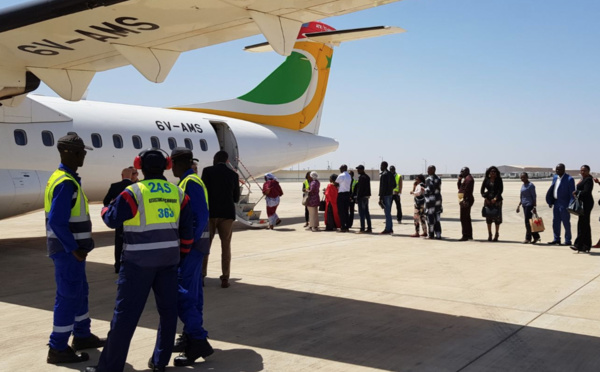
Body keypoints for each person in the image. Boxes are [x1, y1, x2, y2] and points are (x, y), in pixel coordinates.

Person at [87, 148, 193, 372]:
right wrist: (179, 256)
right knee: (168, 313)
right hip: (169, 262)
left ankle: (110, 368)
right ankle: (159, 362)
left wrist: (106, 207)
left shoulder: (133, 192)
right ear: (166, 166)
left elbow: (111, 219)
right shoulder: (178, 193)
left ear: (139, 166)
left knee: (125, 317)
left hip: (138, 263)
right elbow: (187, 231)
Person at [45, 134, 105, 365]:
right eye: (81, 151)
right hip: (66, 250)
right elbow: (57, 222)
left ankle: (81, 335)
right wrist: (73, 249)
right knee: (68, 296)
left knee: (80, 292)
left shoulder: (65, 178)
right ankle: (57, 347)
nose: (84, 155)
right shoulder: (65, 182)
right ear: (69, 153)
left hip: (73, 250)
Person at [170, 148, 213, 366]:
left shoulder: (190, 183)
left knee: (184, 294)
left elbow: (200, 215)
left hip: (192, 248)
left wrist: (187, 245)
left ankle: (197, 339)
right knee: (193, 294)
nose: (171, 168)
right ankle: (192, 334)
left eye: (173, 163)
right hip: (196, 247)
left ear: (179, 163)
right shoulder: (189, 181)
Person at [201, 150, 240, 288]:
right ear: (227, 160)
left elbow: (203, 192)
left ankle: (201, 276)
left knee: (205, 245)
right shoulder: (233, 175)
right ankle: (225, 278)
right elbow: (236, 198)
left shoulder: (207, 171)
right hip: (227, 214)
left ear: (215, 159)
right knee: (226, 246)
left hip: (210, 213)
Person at [102, 167, 135, 273]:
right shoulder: (135, 187)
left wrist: (113, 210)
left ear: (122, 176)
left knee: (119, 243)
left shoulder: (114, 186)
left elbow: (106, 201)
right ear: (131, 176)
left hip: (119, 221)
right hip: (133, 221)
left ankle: (117, 265)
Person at [546, 163, 575, 245]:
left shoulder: (569, 179)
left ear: (564, 170)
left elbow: (572, 194)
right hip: (556, 203)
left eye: (559, 169)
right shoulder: (555, 177)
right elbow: (552, 189)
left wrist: (570, 205)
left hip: (565, 204)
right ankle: (556, 239)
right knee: (555, 222)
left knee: (566, 223)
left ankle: (568, 240)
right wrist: (550, 201)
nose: (557, 171)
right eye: (557, 169)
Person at [570, 165, 594, 253]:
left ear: (588, 171)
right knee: (585, 224)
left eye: (584, 170)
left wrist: (577, 192)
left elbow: (587, 192)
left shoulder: (588, 180)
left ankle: (578, 245)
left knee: (582, 224)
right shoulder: (583, 179)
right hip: (582, 203)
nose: (582, 172)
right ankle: (586, 245)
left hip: (586, 204)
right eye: (581, 170)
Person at [516, 172, 540, 244]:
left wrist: (534, 206)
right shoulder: (523, 185)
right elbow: (522, 196)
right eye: (521, 177)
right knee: (528, 222)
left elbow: (534, 196)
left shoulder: (531, 185)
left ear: (527, 177)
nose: (522, 179)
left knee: (527, 222)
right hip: (524, 204)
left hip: (529, 205)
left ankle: (528, 238)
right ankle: (536, 236)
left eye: (523, 177)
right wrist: (519, 205)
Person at [481, 166, 503, 242]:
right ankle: (489, 234)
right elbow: (482, 190)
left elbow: (500, 190)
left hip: (497, 201)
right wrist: (486, 198)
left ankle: (496, 234)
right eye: (491, 172)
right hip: (488, 200)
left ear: (496, 173)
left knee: (497, 217)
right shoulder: (486, 180)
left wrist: (495, 198)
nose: (493, 173)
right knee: (488, 217)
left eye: (494, 172)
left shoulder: (499, 180)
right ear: (489, 173)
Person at [424, 165, 443, 239]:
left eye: (429, 170)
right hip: (438, 201)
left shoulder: (428, 179)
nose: (427, 171)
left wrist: (423, 190)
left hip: (431, 202)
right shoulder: (438, 178)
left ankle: (431, 234)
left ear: (433, 170)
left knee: (430, 219)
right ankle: (438, 234)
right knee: (437, 219)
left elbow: (429, 190)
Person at [457, 167, 475, 241]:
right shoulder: (466, 179)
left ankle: (465, 235)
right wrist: (459, 180)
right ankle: (469, 235)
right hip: (463, 199)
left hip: (466, 200)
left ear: (467, 171)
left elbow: (467, 191)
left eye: (462, 172)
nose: (461, 173)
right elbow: (460, 188)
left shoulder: (469, 179)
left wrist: (464, 200)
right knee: (467, 218)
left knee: (464, 218)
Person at [379, 161, 395, 234]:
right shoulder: (391, 174)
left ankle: (388, 229)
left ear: (384, 166)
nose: (380, 167)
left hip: (385, 195)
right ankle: (390, 228)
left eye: (381, 166)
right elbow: (394, 185)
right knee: (388, 212)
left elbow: (382, 187)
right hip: (390, 194)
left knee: (387, 213)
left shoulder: (384, 175)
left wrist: (380, 198)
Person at [334, 164, 352, 232]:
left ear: (343, 168)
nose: (340, 169)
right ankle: (347, 226)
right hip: (347, 194)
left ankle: (343, 226)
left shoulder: (341, 175)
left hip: (341, 194)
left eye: (340, 168)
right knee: (346, 211)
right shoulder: (349, 175)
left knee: (341, 211)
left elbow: (336, 183)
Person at [355, 165, 372, 233]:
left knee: (362, 213)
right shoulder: (367, 177)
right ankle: (369, 228)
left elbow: (360, 189)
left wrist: (357, 198)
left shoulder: (362, 178)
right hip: (366, 197)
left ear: (362, 169)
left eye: (358, 169)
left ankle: (362, 228)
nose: (357, 171)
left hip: (362, 197)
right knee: (366, 213)